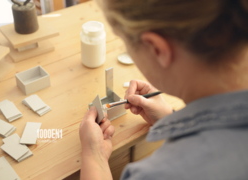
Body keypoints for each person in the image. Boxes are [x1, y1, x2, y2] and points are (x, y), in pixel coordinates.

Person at [79, 0, 248, 179]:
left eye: (125, 45)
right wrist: (169, 117)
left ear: (156, 49)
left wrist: (93, 156)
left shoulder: (157, 174)